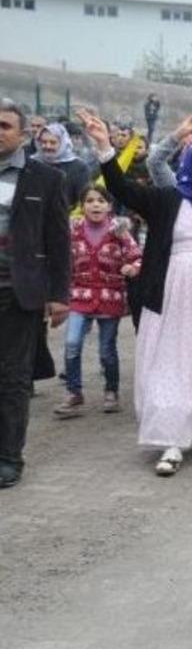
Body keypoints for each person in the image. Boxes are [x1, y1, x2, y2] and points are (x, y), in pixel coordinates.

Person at [80, 109, 192, 477]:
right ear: (191, 164)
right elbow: (123, 189)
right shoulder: (168, 199)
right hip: (173, 291)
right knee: (174, 360)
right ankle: (172, 438)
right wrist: (103, 147)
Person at [0, 100, 70, 489]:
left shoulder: (44, 178)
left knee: (12, 379)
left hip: (17, 293)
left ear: (22, 133)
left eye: (5, 125)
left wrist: (60, 294)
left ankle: (9, 457)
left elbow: (59, 241)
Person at [54, 185, 141, 418]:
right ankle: (74, 393)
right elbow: (60, 259)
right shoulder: (72, 231)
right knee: (72, 343)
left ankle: (111, 391)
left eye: (101, 201)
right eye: (90, 201)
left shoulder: (120, 231)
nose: (95, 205)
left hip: (109, 298)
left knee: (107, 351)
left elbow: (137, 256)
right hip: (79, 296)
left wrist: (132, 268)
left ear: (109, 206)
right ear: (82, 206)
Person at [32, 122, 92, 210]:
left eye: (53, 143)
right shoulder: (32, 164)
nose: (47, 146)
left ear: (63, 143)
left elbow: (83, 200)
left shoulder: (79, 167)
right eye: (44, 142)